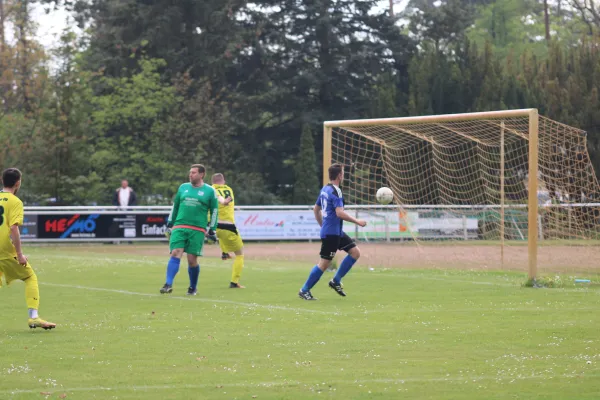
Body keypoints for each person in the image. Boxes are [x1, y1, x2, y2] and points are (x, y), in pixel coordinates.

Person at [298, 164, 367, 300]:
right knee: (324, 264)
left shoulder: (325, 189)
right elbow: (340, 213)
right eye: (343, 173)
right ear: (339, 175)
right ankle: (304, 290)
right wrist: (358, 221)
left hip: (335, 232)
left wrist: (322, 225)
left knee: (355, 252)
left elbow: (315, 209)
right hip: (331, 233)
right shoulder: (336, 191)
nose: (344, 175)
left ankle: (336, 281)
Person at [0, 168, 56, 329]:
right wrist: (19, 254)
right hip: (4, 250)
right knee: (29, 277)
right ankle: (34, 317)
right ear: (18, 183)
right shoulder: (15, 202)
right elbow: (13, 228)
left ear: (3, 181)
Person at [160, 164, 218, 295]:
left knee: (192, 260)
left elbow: (214, 210)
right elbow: (176, 206)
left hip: (197, 229)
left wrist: (212, 229)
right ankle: (168, 284)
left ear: (202, 174)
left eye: (194, 172)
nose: (190, 174)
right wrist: (170, 222)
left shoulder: (209, 191)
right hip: (180, 226)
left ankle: (193, 287)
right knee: (175, 252)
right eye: (190, 172)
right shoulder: (183, 187)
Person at [211, 173, 246, 289]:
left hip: (214, 226)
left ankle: (225, 252)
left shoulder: (210, 190)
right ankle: (234, 282)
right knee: (240, 254)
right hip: (228, 226)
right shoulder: (229, 189)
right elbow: (223, 201)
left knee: (221, 235)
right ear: (223, 181)